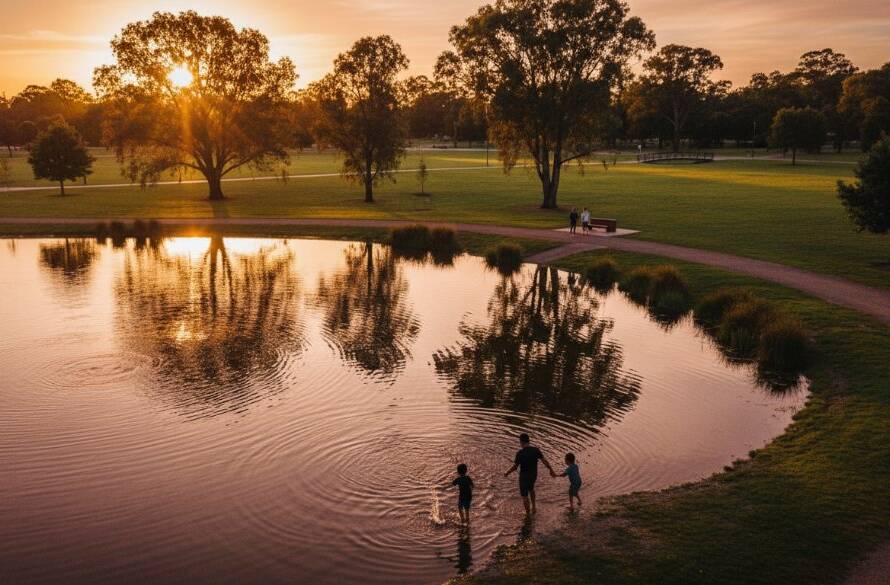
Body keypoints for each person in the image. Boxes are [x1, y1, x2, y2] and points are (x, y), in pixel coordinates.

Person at [504, 433, 555, 516]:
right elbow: (544, 461)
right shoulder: (536, 450)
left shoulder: (520, 453)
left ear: (522, 441)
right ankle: (534, 507)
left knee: (524, 496)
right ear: (528, 441)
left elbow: (515, 467)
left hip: (524, 477)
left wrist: (507, 472)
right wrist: (551, 470)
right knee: (531, 489)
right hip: (533, 475)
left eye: (520, 442)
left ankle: (528, 515)